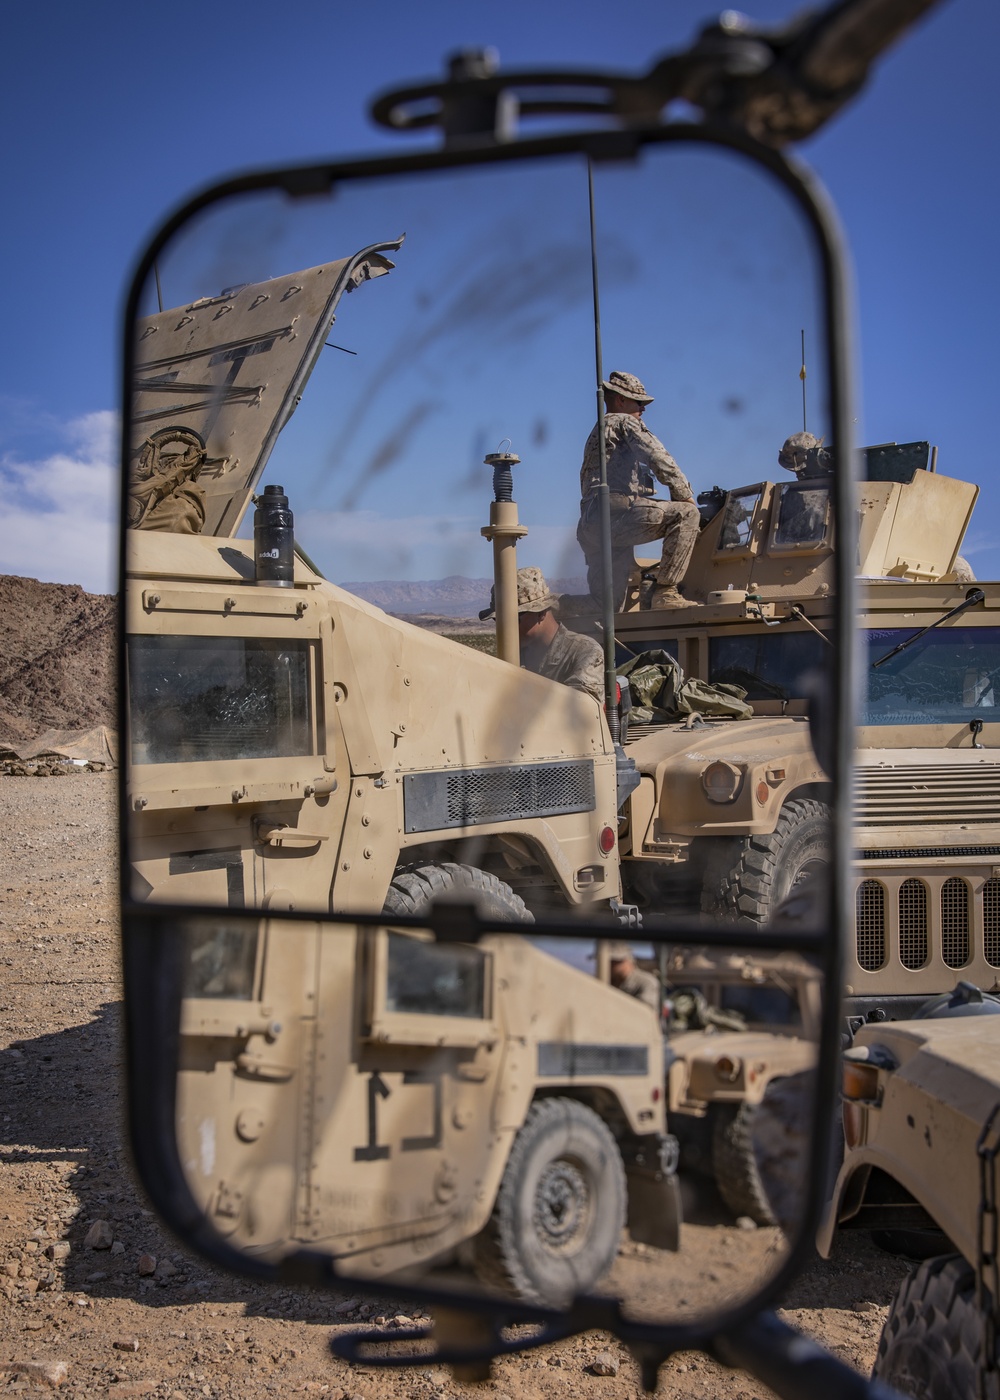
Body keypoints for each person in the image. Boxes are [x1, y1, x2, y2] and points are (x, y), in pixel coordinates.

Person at [577, 370, 701, 611]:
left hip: (592, 526)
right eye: (639, 402)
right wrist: (684, 495)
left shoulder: (598, 431)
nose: (643, 409)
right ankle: (665, 593)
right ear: (620, 400)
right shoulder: (623, 422)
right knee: (686, 514)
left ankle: (546, 609)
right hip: (617, 517)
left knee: (605, 607)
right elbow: (658, 457)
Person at [480, 566, 605, 702]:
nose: (504, 629)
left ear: (540, 613)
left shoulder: (584, 652)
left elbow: (578, 711)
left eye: (512, 620)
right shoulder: (513, 655)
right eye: (497, 621)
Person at [606, 941, 660, 1013]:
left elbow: (644, 1012)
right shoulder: (608, 981)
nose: (609, 966)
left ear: (627, 960)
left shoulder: (646, 982)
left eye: (614, 962)